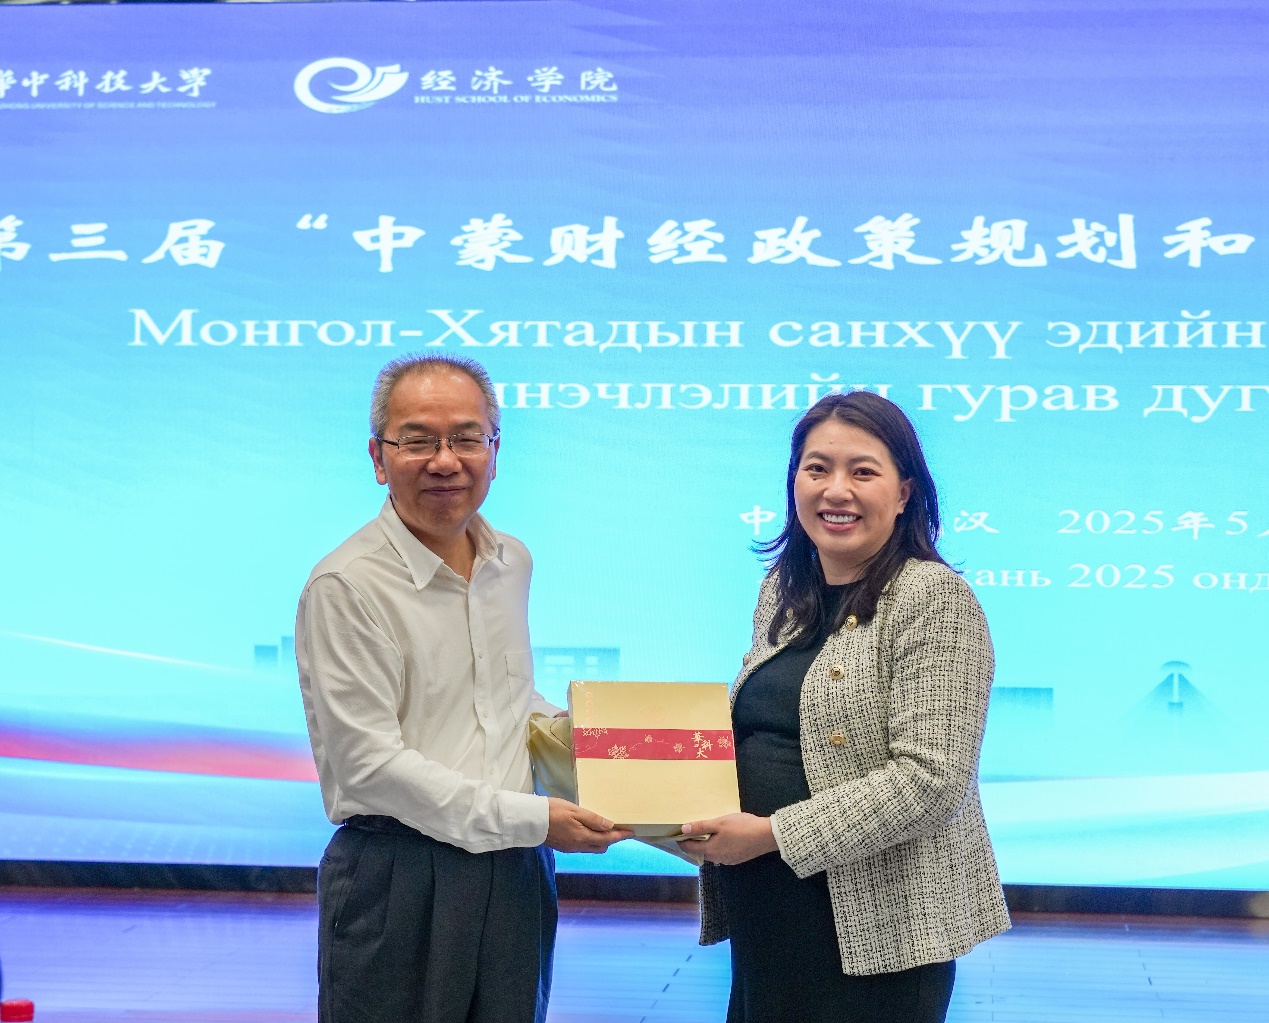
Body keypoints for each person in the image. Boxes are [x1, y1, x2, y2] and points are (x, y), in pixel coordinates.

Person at [295, 354, 631, 1023]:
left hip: (515, 873)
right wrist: (537, 819)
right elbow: (370, 766)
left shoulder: (511, 560)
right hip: (399, 875)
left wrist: (605, 745)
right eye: (418, 440)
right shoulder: (346, 585)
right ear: (378, 457)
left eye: (466, 438)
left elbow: (506, 702)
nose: (445, 460)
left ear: (494, 453)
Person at [680, 391, 1010, 1023]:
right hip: (767, 911)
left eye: (863, 471)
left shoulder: (934, 598)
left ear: (905, 492)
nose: (836, 490)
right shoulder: (784, 589)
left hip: (877, 931)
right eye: (817, 468)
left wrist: (772, 834)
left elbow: (931, 781)